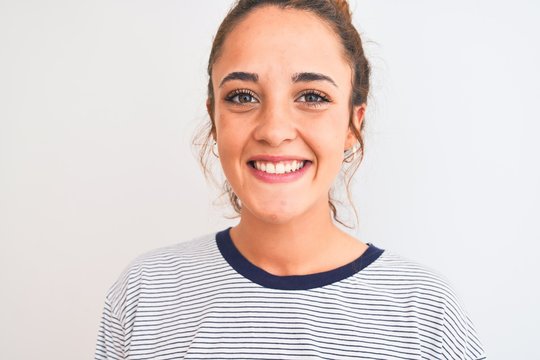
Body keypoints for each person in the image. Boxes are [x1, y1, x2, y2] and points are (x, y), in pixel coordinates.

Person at [95, 0, 486, 359]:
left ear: (354, 123)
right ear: (214, 117)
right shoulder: (146, 293)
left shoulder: (426, 314)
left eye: (312, 96)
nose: (274, 130)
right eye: (243, 96)